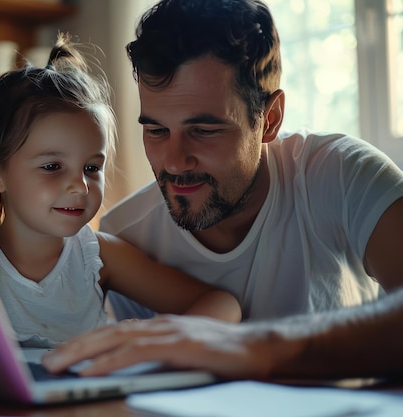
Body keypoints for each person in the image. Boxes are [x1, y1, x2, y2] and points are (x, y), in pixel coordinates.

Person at [42, 0, 403, 378]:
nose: (174, 162)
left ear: (270, 119)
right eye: (156, 131)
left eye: (204, 131)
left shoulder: (341, 174)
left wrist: (255, 347)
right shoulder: (127, 235)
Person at [0, 33, 241, 349]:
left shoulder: (99, 256)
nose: (79, 185)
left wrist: (155, 338)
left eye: (91, 168)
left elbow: (222, 303)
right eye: (52, 167)